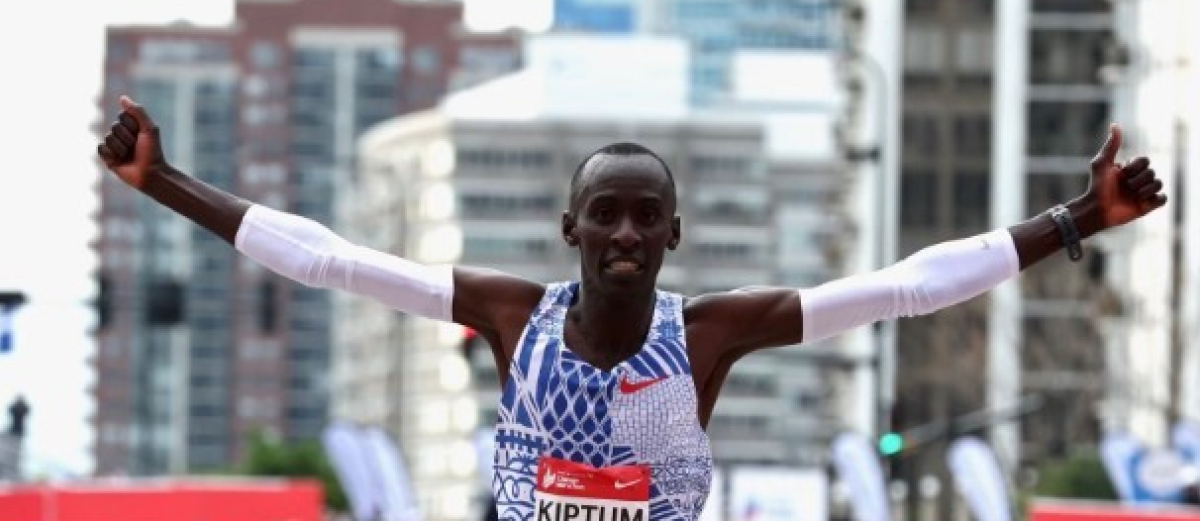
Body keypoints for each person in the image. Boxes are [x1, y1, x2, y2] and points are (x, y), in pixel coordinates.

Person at [98, 95, 1166, 521]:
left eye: (643, 218)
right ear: (571, 229)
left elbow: (904, 288)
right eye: (603, 215)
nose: (622, 235)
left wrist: (1077, 219)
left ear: (672, 236)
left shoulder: (708, 336)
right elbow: (329, 261)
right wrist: (164, 180)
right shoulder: (510, 318)